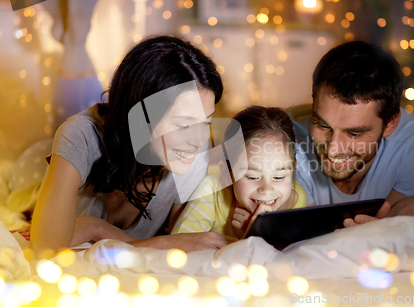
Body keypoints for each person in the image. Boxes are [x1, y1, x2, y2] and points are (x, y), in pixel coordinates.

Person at [30, 36, 237, 258]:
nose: (198, 139)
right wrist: (100, 228)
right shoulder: (81, 134)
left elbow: (181, 242)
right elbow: (45, 250)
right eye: (184, 124)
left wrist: (97, 229)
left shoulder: (196, 152)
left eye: (206, 122)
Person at [293, 40, 414, 226]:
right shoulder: (284, 142)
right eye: (322, 125)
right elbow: (308, 234)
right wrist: (402, 212)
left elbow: (384, 220)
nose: (332, 150)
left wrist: (398, 213)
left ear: (390, 124)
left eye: (354, 134)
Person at [171, 106, 308, 238]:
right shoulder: (211, 192)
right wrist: (250, 237)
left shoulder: (296, 201)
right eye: (253, 177)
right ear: (226, 173)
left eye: (279, 177)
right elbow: (176, 250)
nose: (266, 190)